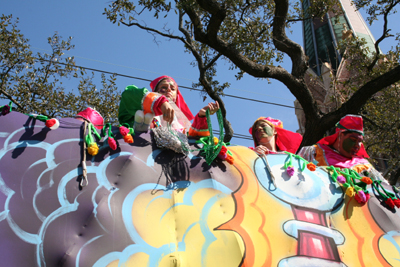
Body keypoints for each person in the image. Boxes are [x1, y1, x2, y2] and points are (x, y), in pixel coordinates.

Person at [118, 75, 219, 137]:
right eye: (163, 87)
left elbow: (194, 142)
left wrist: (202, 116)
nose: (169, 90)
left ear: (177, 95)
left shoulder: (181, 124)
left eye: (172, 88)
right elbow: (128, 94)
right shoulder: (144, 106)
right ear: (155, 91)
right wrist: (160, 102)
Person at [297, 114, 387, 182]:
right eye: (353, 139)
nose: (357, 145)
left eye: (360, 141)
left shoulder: (365, 166)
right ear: (340, 135)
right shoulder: (314, 152)